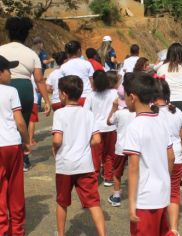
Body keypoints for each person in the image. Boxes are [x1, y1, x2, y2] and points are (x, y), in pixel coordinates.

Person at [122, 72, 175, 236]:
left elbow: (133, 168)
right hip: (162, 192)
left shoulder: (134, 127)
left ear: (132, 97)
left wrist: (131, 203)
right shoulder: (161, 120)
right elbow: (171, 157)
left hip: (144, 198)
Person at [52, 75, 106, 236]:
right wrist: (83, 144)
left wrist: (54, 148)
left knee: (62, 202)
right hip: (85, 165)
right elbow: (97, 139)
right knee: (93, 203)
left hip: (65, 166)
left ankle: (61, 234)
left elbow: (57, 139)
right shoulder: (88, 114)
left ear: (63, 94)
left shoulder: (60, 113)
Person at [0, 16, 51, 171]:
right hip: (24, 89)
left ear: (9, 33)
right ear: (26, 35)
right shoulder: (31, 53)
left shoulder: (1, 49)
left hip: (3, 86)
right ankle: (24, 158)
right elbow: (39, 79)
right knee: (23, 121)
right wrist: (47, 101)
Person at [155, 77, 182, 236]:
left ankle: (158, 226)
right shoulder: (177, 112)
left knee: (156, 192)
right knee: (174, 193)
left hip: (156, 159)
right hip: (175, 157)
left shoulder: (149, 113)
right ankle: (173, 229)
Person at [0, 55, 30, 236]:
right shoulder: (10, 91)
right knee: (15, 187)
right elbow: (20, 122)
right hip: (11, 144)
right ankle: (17, 229)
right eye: (8, 69)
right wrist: (26, 142)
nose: (10, 73)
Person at [84, 71, 118, 186]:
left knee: (95, 154)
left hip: (95, 129)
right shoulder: (114, 93)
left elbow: (85, 112)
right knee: (109, 153)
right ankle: (108, 177)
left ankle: (94, 176)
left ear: (94, 81)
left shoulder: (91, 95)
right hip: (110, 127)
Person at [106, 95, 135, 207]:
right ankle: (137, 197)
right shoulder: (138, 113)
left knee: (117, 173)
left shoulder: (119, 113)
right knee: (136, 172)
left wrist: (114, 107)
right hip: (135, 148)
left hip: (121, 148)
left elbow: (109, 122)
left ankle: (116, 196)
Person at [59, 40, 94, 106]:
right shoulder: (87, 64)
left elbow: (61, 85)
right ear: (79, 51)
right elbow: (92, 81)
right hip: (86, 97)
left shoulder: (63, 67)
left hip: (71, 99)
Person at [32, 36, 54, 111]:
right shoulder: (41, 51)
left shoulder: (31, 51)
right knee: (40, 87)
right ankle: (38, 105)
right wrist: (51, 59)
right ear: (40, 43)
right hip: (40, 70)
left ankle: (34, 105)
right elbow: (44, 62)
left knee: (35, 88)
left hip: (31, 71)